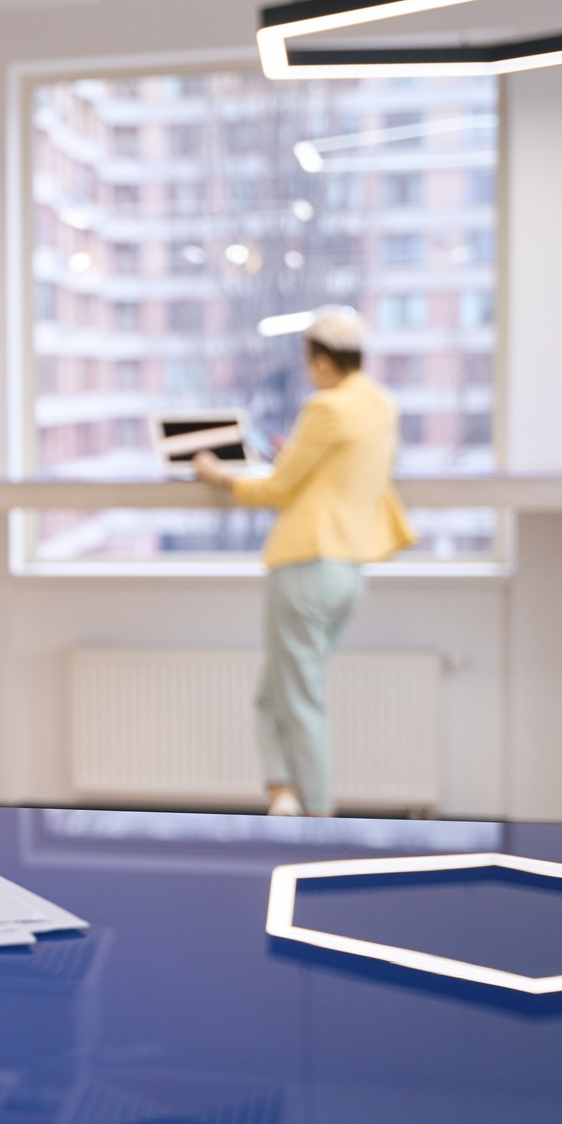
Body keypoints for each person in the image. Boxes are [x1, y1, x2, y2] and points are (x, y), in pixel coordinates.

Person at [193, 308, 413, 816]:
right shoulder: (379, 405)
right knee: (274, 695)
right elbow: (343, 473)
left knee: (301, 702)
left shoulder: (326, 407)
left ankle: (319, 817)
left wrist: (214, 473)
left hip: (306, 567)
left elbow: (274, 489)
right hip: (348, 571)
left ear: (320, 361)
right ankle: (283, 795)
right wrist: (291, 459)